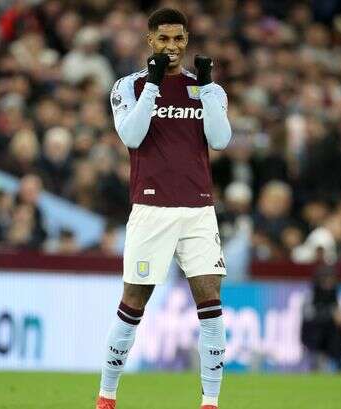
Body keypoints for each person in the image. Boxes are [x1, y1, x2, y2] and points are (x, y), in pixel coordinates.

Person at [96, 8, 231, 409]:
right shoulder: (129, 86)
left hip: (198, 210)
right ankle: (107, 394)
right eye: (163, 40)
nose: (172, 47)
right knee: (132, 303)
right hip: (151, 210)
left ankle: (210, 402)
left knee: (210, 304)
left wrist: (206, 86)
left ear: (187, 40)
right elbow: (132, 136)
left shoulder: (206, 87)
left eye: (178, 39)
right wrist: (153, 85)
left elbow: (220, 140)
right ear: (150, 41)